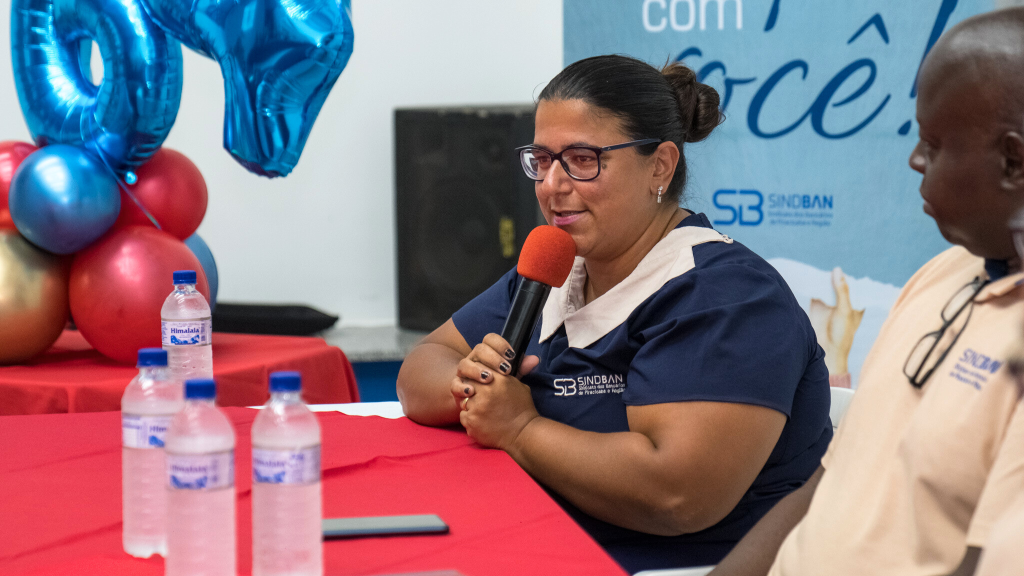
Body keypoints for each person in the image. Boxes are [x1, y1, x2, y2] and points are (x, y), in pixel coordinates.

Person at [396, 54, 833, 573]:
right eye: (542, 159)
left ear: (660, 165)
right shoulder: (556, 270)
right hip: (537, 540)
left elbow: (677, 495)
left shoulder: (728, 296)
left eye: (582, 159)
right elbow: (422, 365)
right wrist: (469, 383)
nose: (551, 185)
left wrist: (518, 429)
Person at [709, 8, 1024, 576]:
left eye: (934, 143)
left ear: (1013, 161)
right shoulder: (943, 272)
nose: (915, 160)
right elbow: (829, 482)